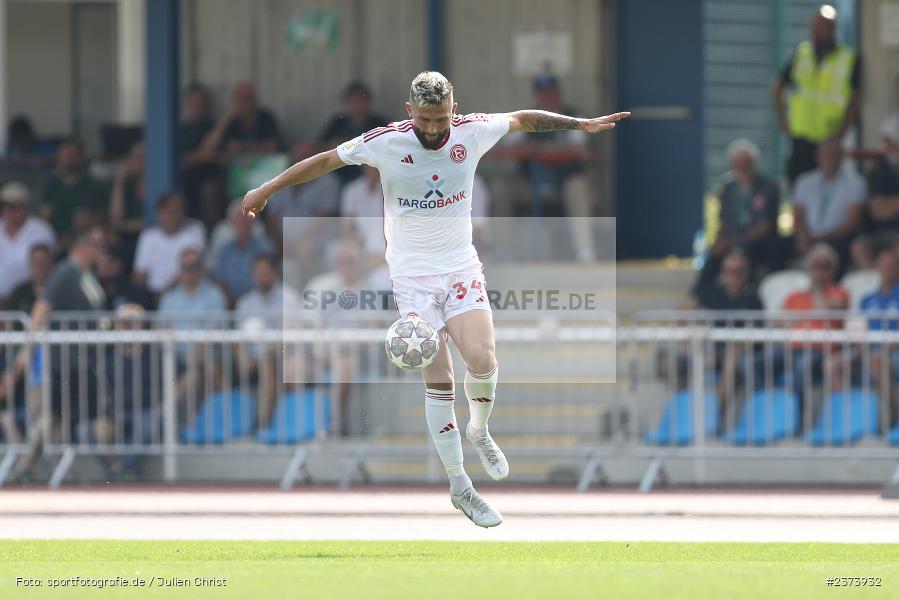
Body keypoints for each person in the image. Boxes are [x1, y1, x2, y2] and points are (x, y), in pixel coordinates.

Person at [241, 71, 629, 527]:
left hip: (461, 268)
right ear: (410, 112)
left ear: (453, 109)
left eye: (440, 118)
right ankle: (460, 486)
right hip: (411, 279)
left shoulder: (472, 131)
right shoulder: (385, 142)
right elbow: (325, 161)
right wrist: (267, 189)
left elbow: (523, 119)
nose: (432, 128)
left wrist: (580, 125)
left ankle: (479, 430)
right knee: (440, 377)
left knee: (483, 359)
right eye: (424, 119)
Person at [504, 73, 598, 261]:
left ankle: (585, 252)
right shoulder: (526, 118)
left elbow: (582, 151)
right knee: (502, 190)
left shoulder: (574, 116)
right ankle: (502, 252)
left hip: (565, 179)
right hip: (532, 180)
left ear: (558, 93)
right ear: (537, 96)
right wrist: (542, 152)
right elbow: (505, 150)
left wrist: (541, 152)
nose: (547, 97)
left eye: (551, 92)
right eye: (543, 93)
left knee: (578, 187)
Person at [772, 4, 861, 183]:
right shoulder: (801, 53)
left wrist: (841, 132)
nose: (816, 32)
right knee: (798, 187)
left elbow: (855, 99)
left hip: (828, 139)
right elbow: (777, 85)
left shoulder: (847, 58)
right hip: (800, 138)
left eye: (821, 27)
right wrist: (782, 120)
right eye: (814, 27)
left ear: (833, 29)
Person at [693, 139, 780, 293]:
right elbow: (723, 221)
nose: (742, 168)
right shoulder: (728, 187)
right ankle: (698, 297)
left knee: (744, 251)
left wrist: (736, 241)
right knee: (714, 254)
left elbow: (765, 226)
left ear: (754, 164)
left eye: (746, 163)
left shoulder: (768, 187)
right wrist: (719, 241)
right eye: (738, 163)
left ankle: (745, 296)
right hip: (733, 240)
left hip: (757, 242)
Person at [792, 138, 865, 270]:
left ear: (842, 156)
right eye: (825, 155)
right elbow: (798, 216)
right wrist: (802, 235)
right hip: (808, 235)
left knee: (842, 245)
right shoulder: (804, 181)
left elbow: (853, 222)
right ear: (818, 157)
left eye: (833, 155)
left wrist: (822, 236)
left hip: (837, 236)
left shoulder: (855, 183)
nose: (829, 159)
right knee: (778, 244)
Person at [132, 191, 206, 296]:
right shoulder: (148, 236)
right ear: (159, 213)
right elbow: (139, 273)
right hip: (151, 295)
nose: (174, 215)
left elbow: (191, 268)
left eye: (178, 210)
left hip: (182, 293)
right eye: (170, 211)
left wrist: (165, 294)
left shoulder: (194, 232)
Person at [39, 138, 109, 245]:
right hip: (55, 241)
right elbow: (44, 217)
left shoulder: (96, 186)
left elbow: (105, 217)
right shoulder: (51, 185)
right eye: (64, 154)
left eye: (72, 154)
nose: (68, 158)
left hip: (86, 241)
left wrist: (91, 219)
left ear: (81, 156)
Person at [319, 81, 389, 183]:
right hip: (340, 172)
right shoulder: (338, 122)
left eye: (360, 101)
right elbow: (321, 147)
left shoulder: (379, 123)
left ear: (367, 101)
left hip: (371, 174)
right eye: (353, 101)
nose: (356, 105)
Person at [0, 181, 56, 303]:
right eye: (5, 205)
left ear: (25, 206)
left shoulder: (41, 230)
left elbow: (45, 267)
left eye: (14, 206)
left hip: (29, 299)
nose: (9, 210)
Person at [200, 82, 281, 159]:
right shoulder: (229, 121)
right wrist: (227, 118)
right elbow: (207, 148)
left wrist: (244, 148)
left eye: (248, 98)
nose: (245, 103)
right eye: (241, 98)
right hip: (232, 170)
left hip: (261, 168)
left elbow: (274, 146)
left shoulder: (265, 118)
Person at [213, 200, 273, 304]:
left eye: (246, 219)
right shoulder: (224, 252)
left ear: (254, 222)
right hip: (230, 305)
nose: (242, 222)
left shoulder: (265, 249)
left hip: (259, 302)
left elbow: (268, 279)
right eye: (238, 219)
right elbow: (220, 282)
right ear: (231, 224)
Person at [4, 244, 53, 313]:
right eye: (35, 261)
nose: (39, 266)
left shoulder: (59, 292)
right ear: (30, 265)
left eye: (43, 261)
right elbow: (8, 319)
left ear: (50, 264)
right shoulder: (19, 292)